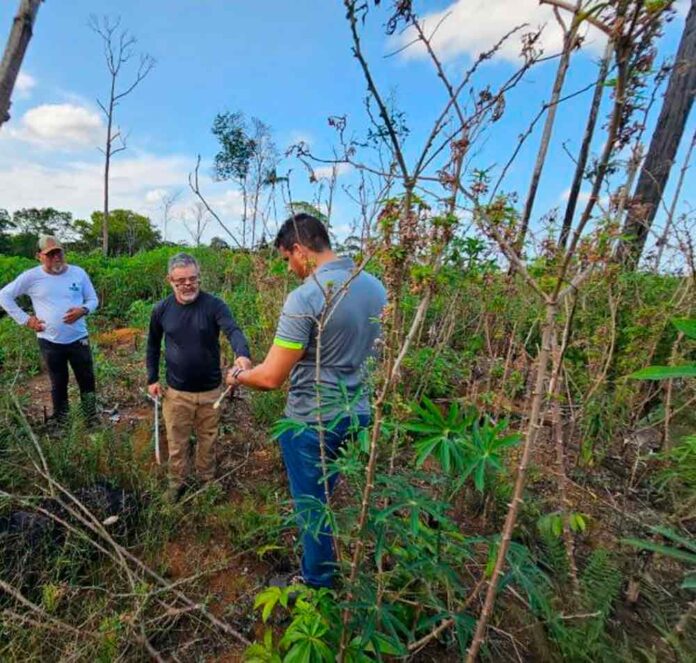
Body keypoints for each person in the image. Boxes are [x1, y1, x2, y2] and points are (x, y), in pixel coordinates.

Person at [226, 213, 387, 588]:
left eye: (286, 259)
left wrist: (238, 376)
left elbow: (270, 377)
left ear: (299, 250)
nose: (288, 268)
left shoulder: (307, 297)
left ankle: (318, 585)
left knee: (313, 507)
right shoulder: (376, 287)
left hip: (312, 422)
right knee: (345, 499)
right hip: (362, 414)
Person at [146, 252, 252, 502]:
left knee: (208, 440)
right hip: (176, 393)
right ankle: (176, 484)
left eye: (193, 279)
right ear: (169, 280)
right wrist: (152, 379)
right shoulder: (161, 310)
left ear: (199, 278)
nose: (187, 285)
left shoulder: (214, 305)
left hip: (210, 392)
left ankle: (206, 482)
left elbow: (233, 330)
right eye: (180, 280)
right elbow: (152, 346)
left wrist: (242, 355)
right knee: (176, 441)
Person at [0, 235, 99, 422]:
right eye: (50, 254)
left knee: (86, 379)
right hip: (49, 341)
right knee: (58, 382)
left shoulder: (78, 273)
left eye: (58, 252)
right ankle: (62, 420)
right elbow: (4, 296)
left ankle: (90, 417)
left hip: (79, 338)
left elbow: (93, 299)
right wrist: (27, 320)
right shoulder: (31, 277)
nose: (56, 257)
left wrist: (83, 310)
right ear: (39, 256)